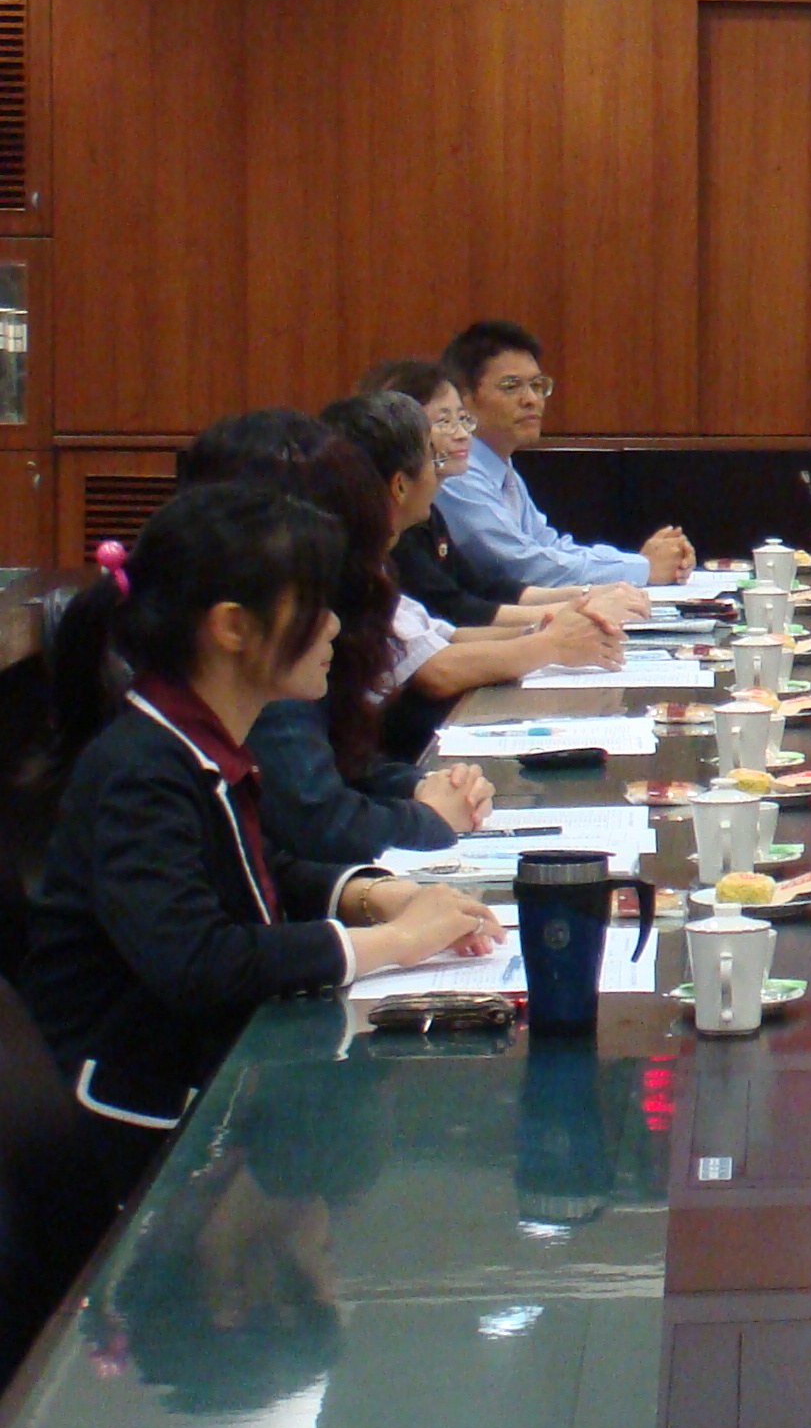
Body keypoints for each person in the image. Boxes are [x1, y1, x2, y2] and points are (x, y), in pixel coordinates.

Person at [26, 483, 500, 1198]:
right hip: (147, 1128)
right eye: (315, 607)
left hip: (210, 1085)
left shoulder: (192, 739)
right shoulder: (140, 767)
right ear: (233, 628)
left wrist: (372, 893)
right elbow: (199, 958)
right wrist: (393, 943)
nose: (336, 627)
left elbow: (246, 865)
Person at [173, 410, 489, 859]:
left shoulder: (287, 626)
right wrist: (425, 820)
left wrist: (423, 786)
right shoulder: (254, 650)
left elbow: (340, 769)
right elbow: (314, 819)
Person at [319, 394, 627, 755]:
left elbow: (444, 635)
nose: (439, 472)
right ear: (400, 485)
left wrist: (546, 629)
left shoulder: (383, 553)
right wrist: (552, 643)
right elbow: (436, 670)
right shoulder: (352, 563)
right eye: (432, 458)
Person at [355, 358, 647, 632]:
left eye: (463, 420)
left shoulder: (429, 512)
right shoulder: (396, 524)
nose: (461, 434)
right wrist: (576, 612)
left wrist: (588, 594)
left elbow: (486, 587)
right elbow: (456, 609)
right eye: (444, 422)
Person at [434, 320, 696, 587]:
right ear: (463, 399)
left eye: (537, 386)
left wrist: (641, 562)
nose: (531, 399)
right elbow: (523, 567)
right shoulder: (457, 473)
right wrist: (643, 569)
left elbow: (550, 548)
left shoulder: (500, 467)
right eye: (511, 386)